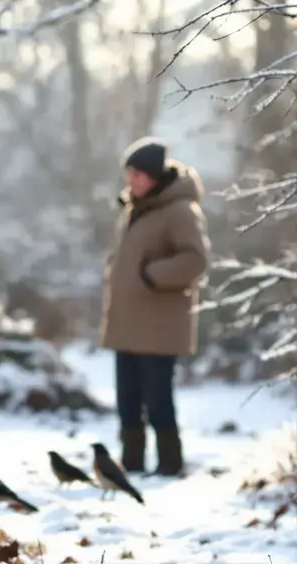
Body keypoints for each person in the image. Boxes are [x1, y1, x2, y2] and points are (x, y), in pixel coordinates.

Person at [100, 137, 210, 476]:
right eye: (128, 174)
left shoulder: (179, 211)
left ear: (154, 175)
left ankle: (169, 464)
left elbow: (195, 260)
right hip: (128, 323)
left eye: (137, 174)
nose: (130, 181)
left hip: (160, 326)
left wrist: (150, 275)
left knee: (158, 400)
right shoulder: (135, 208)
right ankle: (132, 463)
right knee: (127, 399)